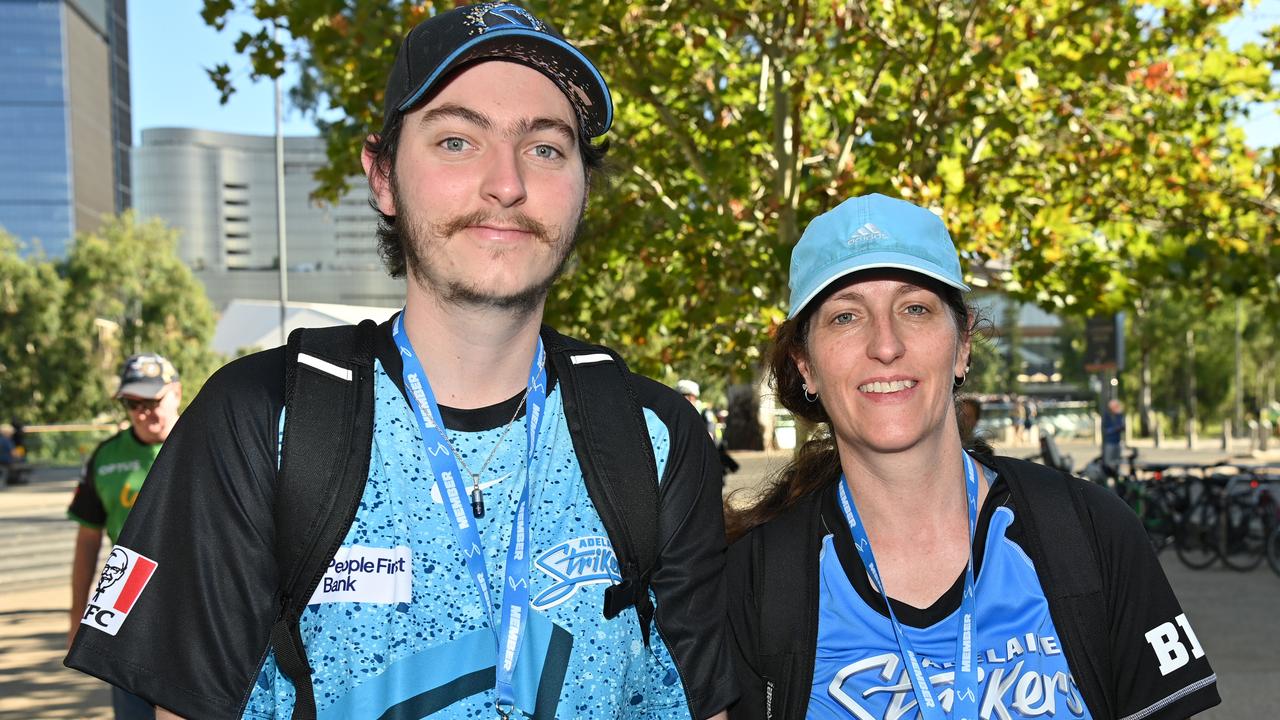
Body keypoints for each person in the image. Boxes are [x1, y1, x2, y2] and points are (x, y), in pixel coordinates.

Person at [66, 5, 734, 719]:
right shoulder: (259, 420)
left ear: (582, 187)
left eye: (546, 148)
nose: (505, 183)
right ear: (382, 175)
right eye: (456, 140)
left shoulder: (655, 434)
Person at [723, 194, 1219, 719]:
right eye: (846, 316)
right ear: (806, 366)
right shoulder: (755, 578)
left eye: (914, 309)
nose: (885, 344)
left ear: (961, 347)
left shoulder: (1089, 531)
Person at [67, 353, 181, 720]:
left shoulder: (209, 441)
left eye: (153, 401)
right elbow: (88, 540)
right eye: (134, 403)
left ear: (176, 393)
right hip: (125, 591)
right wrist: (76, 616)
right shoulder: (106, 457)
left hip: (191, 588)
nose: (144, 412)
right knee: (132, 705)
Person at [1102, 398, 1126, 474]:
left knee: (1117, 461)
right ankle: (1109, 476)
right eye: (1115, 406)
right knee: (1108, 462)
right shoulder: (1107, 416)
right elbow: (1106, 430)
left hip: (1117, 442)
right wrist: (1116, 428)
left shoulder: (1119, 415)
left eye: (1117, 406)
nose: (1117, 408)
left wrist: (1119, 415)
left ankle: (1116, 476)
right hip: (1110, 442)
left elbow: (1122, 427)